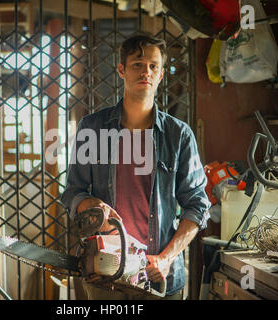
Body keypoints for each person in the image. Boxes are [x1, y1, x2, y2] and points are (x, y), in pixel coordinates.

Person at [61, 33, 210, 300]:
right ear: (121, 70)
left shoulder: (179, 135)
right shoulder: (92, 129)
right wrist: (92, 205)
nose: (146, 72)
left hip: (159, 275)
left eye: (153, 66)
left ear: (162, 74)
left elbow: (198, 206)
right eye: (138, 64)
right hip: (105, 272)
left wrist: (166, 258)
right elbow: (72, 192)